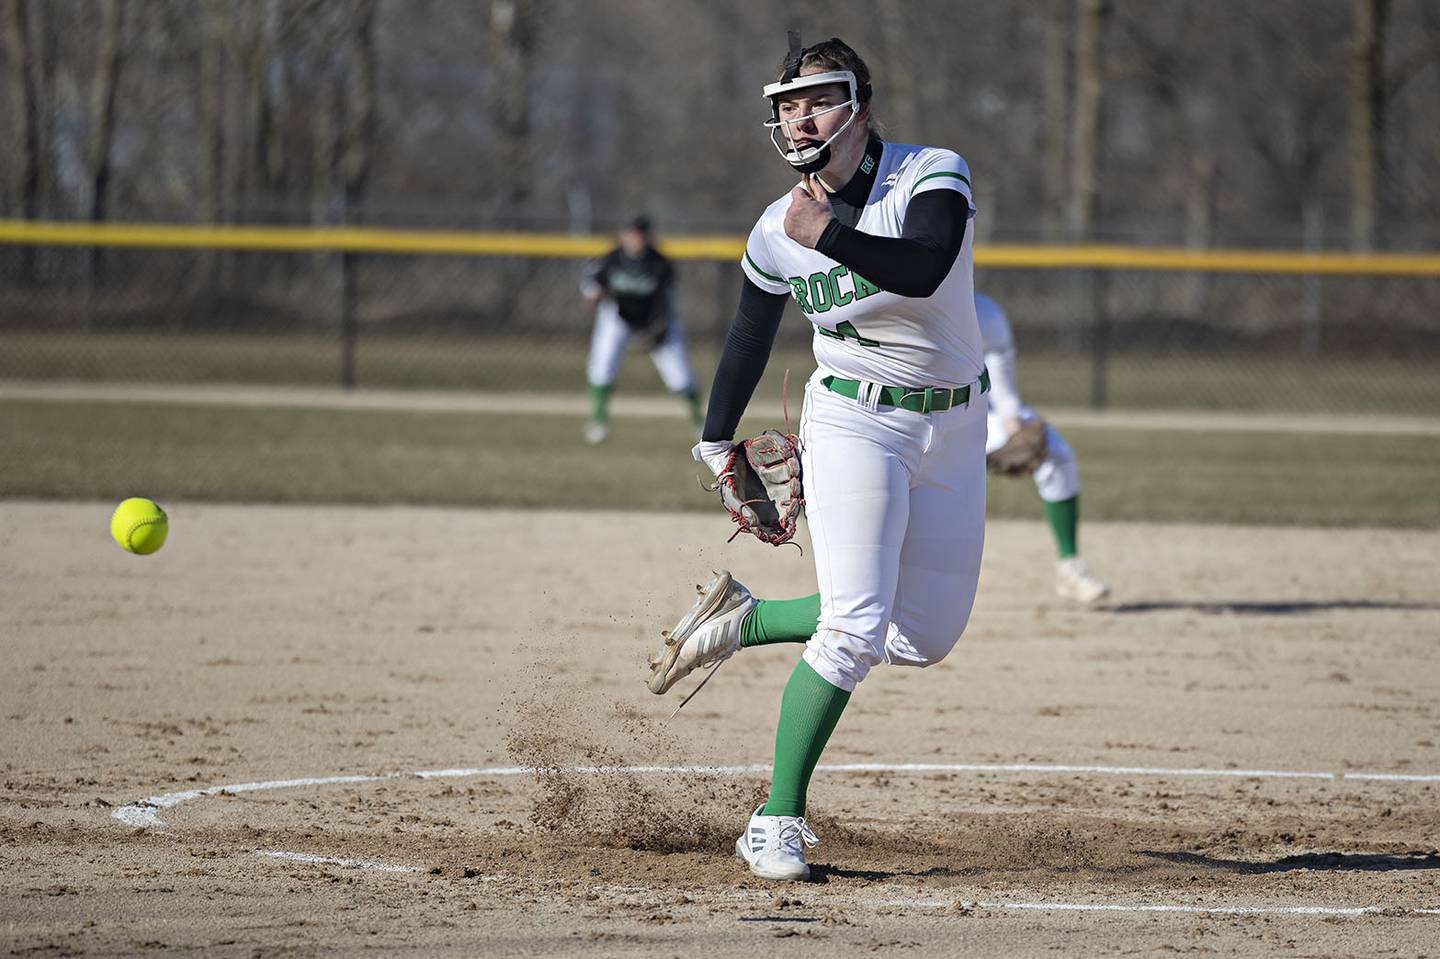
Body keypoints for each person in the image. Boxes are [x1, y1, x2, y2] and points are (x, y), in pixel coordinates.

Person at [646, 36, 989, 882]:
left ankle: (744, 620)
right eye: (786, 103)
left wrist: (829, 232)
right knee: (852, 625)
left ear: (861, 107)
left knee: (921, 635)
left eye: (819, 97)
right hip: (853, 422)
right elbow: (748, 334)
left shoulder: (929, 173)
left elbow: (924, 264)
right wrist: (717, 442)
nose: (799, 115)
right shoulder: (778, 228)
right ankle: (777, 818)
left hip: (953, 425)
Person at [976, 291, 1109, 603]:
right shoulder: (900, 300)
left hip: (976, 406)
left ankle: (1070, 568)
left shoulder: (985, 314)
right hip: (908, 409)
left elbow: (1004, 391)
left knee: (1056, 455)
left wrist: (1012, 423)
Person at [580, 216, 703, 443]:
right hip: (619, 317)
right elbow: (592, 290)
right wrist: (592, 295)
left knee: (681, 376)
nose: (635, 239)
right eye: (631, 234)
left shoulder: (659, 263)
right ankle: (598, 421)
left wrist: (659, 328)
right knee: (602, 365)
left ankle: (700, 423)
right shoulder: (611, 259)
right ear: (623, 235)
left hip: (654, 320)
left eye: (639, 235)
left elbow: (668, 302)